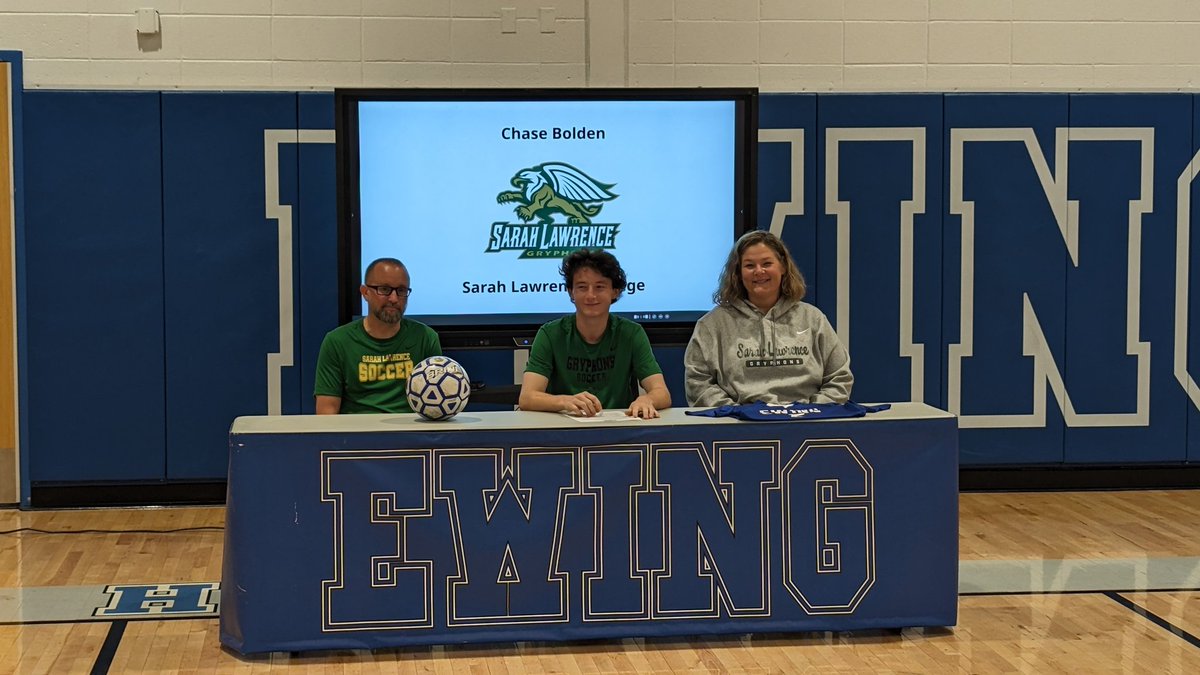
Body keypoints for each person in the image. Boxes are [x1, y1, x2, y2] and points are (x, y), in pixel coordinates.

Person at [684, 231, 852, 407]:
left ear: (783, 267)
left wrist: (813, 411)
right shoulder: (712, 325)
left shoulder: (813, 319)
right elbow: (698, 383)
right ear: (738, 273)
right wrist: (734, 414)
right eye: (749, 265)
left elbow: (839, 377)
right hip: (738, 427)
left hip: (807, 424)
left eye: (767, 263)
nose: (759, 271)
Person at [519, 249, 671, 418]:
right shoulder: (550, 334)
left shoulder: (631, 333)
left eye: (600, 287)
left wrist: (647, 400)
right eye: (582, 287)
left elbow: (662, 393)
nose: (591, 295)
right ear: (571, 292)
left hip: (619, 430)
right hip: (562, 429)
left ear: (615, 291)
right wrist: (564, 401)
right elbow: (527, 398)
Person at [314, 257, 442, 414]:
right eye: (384, 289)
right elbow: (327, 410)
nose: (394, 299)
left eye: (401, 291)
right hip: (357, 435)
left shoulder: (425, 338)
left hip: (410, 434)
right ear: (365, 293)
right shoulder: (337, 342)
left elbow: (435, 404)